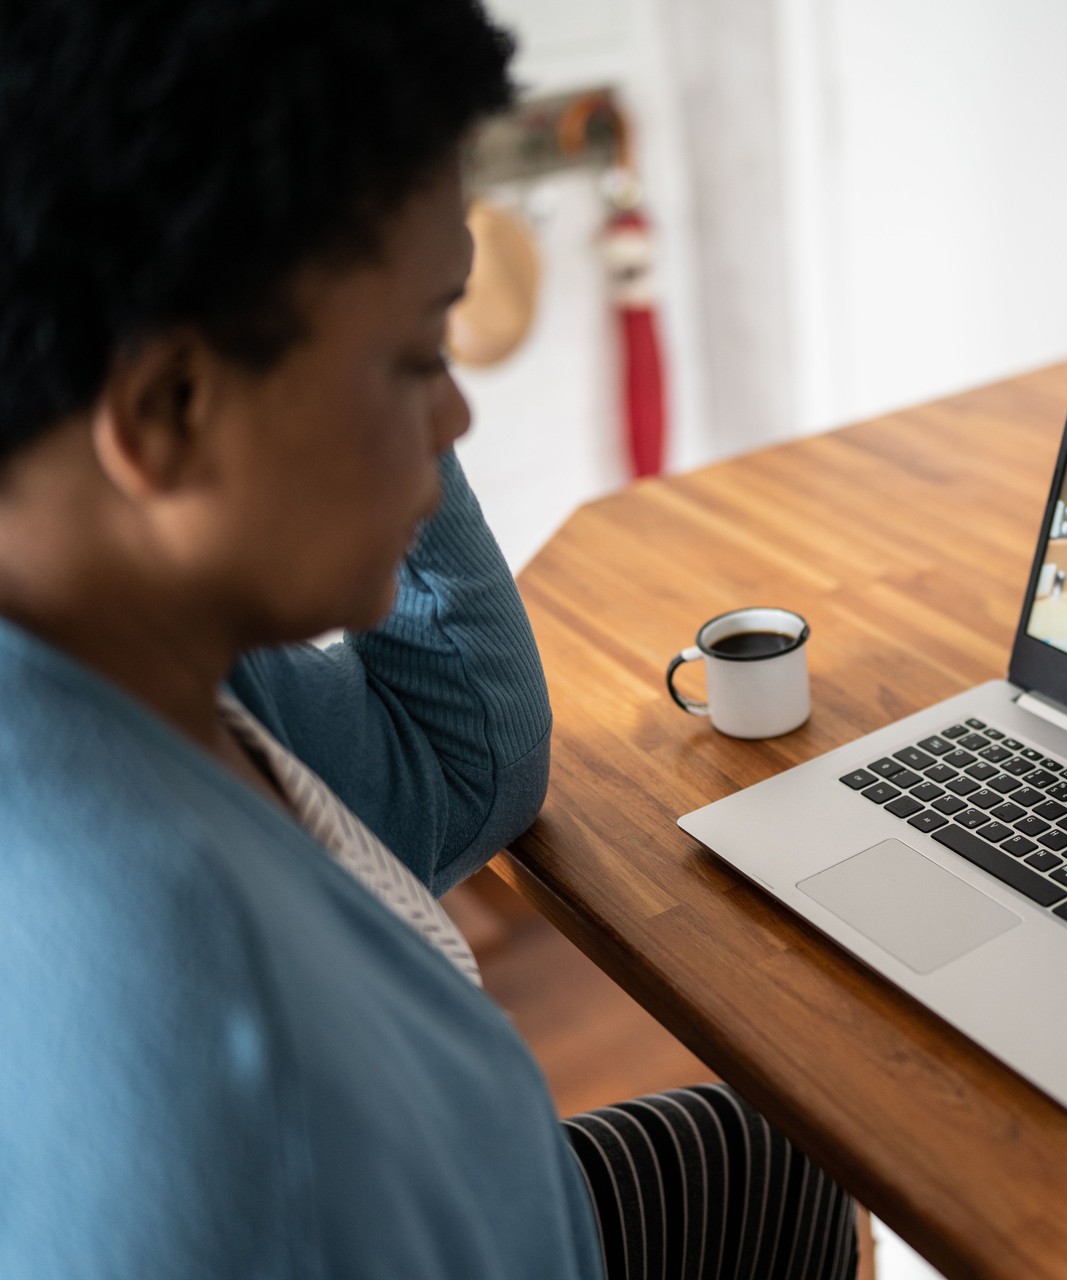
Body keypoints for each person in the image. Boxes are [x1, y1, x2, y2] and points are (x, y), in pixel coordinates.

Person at [0, 2, 855, 1277]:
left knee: (773, 1156)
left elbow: (467, 762)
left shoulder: (149, 656)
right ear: (172, 408)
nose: (456, 414)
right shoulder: (236, 1079)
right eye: (417, 356)